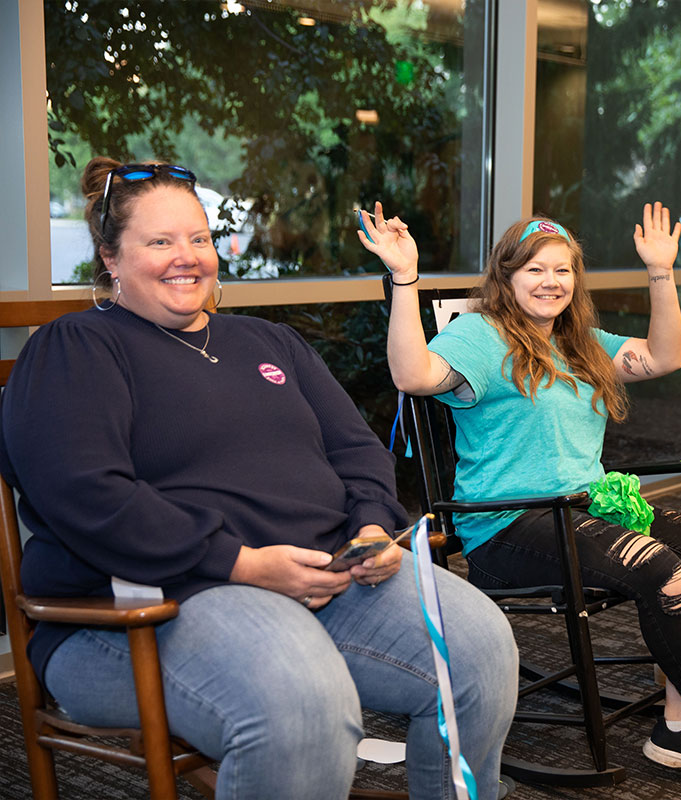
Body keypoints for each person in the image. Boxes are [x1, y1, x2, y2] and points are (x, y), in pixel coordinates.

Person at [0, 158, 519, 800]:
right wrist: (240, 563)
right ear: (110, 257)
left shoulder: (270, 342)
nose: (186, 257)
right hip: (145, 610)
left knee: (480, 651)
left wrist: (370, 526)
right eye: (159, 242)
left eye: (198, 238)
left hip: (332, 580)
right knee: (303, 703)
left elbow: (356, 448)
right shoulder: (76, 348)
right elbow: (88, 496)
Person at [359, 201, 681, 787]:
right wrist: (404, 278)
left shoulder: (578, 342)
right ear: (506, 276)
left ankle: (678, 728)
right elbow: (412, 375)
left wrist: (661, 270)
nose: (550, 282)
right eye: (534, 269)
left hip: (585, 510)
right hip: (508, 526)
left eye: (562, 270)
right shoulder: (480, 335)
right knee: (660, 567)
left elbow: (664, 356)